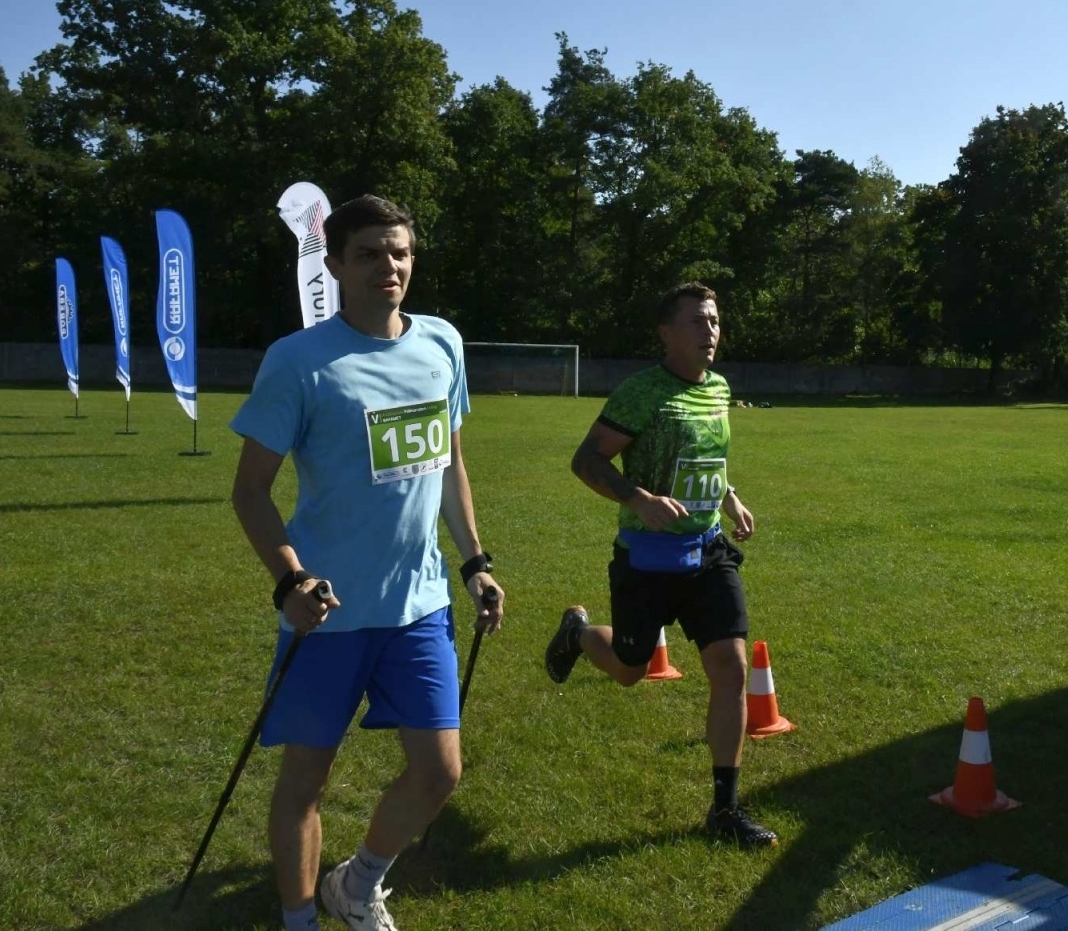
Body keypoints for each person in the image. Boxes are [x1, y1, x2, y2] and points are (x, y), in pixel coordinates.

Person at [230, 194, 504, 931]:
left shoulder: (442, 342)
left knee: (439, 771)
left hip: (417, 609)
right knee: (303, 784)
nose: (391, 265)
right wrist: (289, 579)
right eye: (372, 253)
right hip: (329, 614)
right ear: (337, 264)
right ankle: (298, 921)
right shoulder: (298, 360)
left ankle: (357, 883)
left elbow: (448, 461)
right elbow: (250, 489)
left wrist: (473, 559)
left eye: (401, 252)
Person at [547, 281, 777, 848]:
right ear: (666, 333)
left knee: (730, 666)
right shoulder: (641, 393)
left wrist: (730, 498)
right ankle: (578, 634)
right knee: (630, 668)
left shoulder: (719, 387)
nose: (711, 332)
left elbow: (707, 459)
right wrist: (638, 499)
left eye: (715, 321)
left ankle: (724, 811)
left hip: (707, 551)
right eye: (697, 322)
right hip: (647, 559)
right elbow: (586, 459)